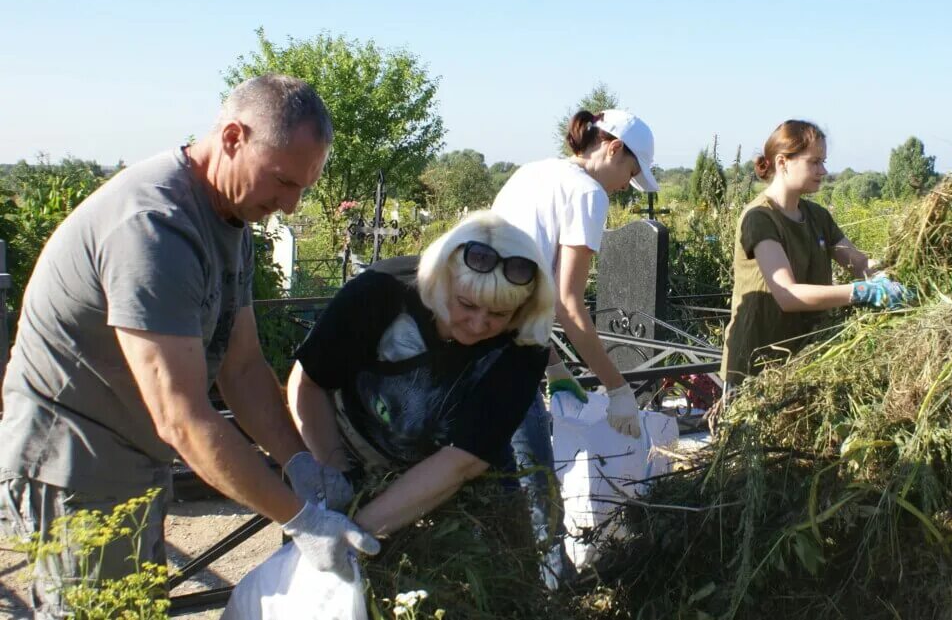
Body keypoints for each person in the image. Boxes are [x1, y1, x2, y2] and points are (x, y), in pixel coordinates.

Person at [0, 75, 377, 618]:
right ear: (231, 137)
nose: (291, 206)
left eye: (303, 187)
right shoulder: (153, 228)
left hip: (131, 455)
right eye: (282, 182)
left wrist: (299, 463)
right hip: (74, 463)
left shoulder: (232, 213)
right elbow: (181, 417)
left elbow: (242, 366)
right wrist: (301, 519)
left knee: (139, 608)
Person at [286, 211, 556, 538]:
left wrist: (355, 532)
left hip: (458, 486)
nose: (478, 324)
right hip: (346, 450)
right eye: (466, 305)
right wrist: (336, 485)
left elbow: (461, 461)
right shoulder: (380, 291)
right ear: (444, 280)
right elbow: (309, 381)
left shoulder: (523, 346)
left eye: (499, 314)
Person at [491, 107, 660, 587]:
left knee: (494, 479)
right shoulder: (588, 193)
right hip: (502, 354)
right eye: (630, 171)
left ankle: (510, 582)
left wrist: (555, 366)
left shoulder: (532, 173)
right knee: (536, 486)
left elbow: (514, 283)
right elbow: (568, 305)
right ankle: (548, 595)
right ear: (612, 147)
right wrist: (618, 388)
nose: (627, 184)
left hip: (474, 331)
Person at [721, 120, 911, 387]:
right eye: (814, 162)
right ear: (783, 162)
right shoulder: (761, 218)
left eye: (823, 161)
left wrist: (893, 274)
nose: (823, 170)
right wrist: (860, 292)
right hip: (758, 366)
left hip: (805, 362)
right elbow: (788, 294)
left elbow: (857, 262)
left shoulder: (817, 217)